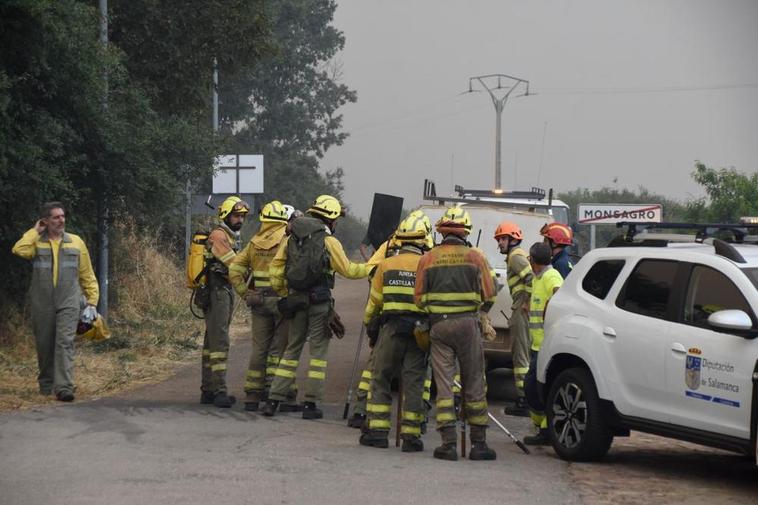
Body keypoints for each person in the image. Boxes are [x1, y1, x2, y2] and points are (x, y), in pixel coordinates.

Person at [263, 195, 370, 419]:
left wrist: (285, 293)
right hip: (319, 303)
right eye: (337, 219)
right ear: (330, 219)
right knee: (318, 355)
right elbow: (349, 271)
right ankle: (311, 405)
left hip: (296, 301)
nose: (337, 223)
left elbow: (275, 268)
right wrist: (371, 268)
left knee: (292, 350)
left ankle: (273, 400)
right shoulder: (329, 241)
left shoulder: (291, 237)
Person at [415, 206, 498, 461]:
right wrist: (479, 312)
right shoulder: (476, 257)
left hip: (439, 327)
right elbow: (490, 293)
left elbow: (418, 300)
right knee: (474, 382)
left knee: (444, 385)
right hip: (467, 326)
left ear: (441, 232)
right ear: (465, 231)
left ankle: (448, 445)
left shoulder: (427, 258)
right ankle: (479, 445)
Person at [348, 209, 434, 429]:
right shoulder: (430, 262)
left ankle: (369, 422)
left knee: (378, 372)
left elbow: (374, 299)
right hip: (420, 330)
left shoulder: (387, 256)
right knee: (417, 379)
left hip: (391, 326)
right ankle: (414, 431)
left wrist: (370, 325)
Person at [12, 202, 99, 402]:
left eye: (62, 216)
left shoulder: (75, 242)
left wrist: (92, 300)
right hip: (42, 301)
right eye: (56, 217)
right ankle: (46, 384)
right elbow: (19, 249)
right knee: (44, 344)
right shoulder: (36, 242)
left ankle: (64, 388)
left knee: (65, 342)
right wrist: (35, 231)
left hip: (69, 299)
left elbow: (86, 272)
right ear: (46, 221)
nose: (61, 220)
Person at [228, 200, 295, 412]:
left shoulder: (254, 242)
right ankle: (274, 394)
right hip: (281, 302)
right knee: (279, 348)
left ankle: (252, 395)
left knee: (259, 349)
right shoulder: (288, 240)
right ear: (283, 220)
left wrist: (245, 292)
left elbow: (235, 269)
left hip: (258, 301)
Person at [200, 196, 249, 408]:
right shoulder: (219, 236)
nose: (240, 220)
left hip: (222, 290)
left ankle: (208, 390)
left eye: (242, 216)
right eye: (236, 216)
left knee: (212, 341)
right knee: (219, 341)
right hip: (218, 291)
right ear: (225, 216)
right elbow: (234, 264)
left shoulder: (229, 236)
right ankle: (218, 390)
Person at [522, 242, 564, 445]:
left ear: (533, 260)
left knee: (531, 386)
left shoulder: (551, 276)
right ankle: (544, 429)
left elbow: (559, 295)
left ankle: (545, 429)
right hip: (537, 344)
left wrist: (550, 305)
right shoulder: (538, 278)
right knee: (536, 387)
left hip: (546, 346)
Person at [494, 222, 534, 417]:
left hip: (521, 310)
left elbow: (532, 279)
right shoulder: (514, 256)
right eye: (499, 239)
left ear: (512, 239)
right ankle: (524, 396)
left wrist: (526, 302)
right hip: (519, 308)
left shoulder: (515, 257)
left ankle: (523, 399)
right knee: (521, 355)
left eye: (502, 239)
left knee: (521, 356)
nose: (499, 243)